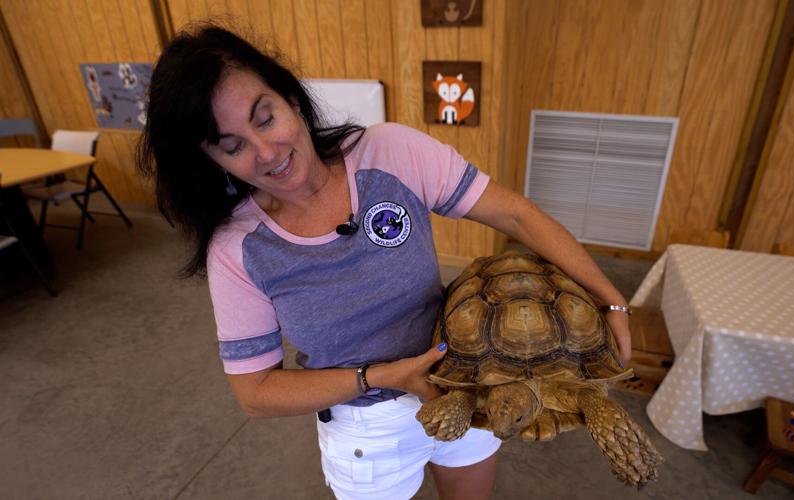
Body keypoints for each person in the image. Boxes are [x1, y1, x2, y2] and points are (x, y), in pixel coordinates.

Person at [136, 24, 632, 500]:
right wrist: (382, 376)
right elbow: (256, 393)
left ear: (290, 98)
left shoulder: (389, 152)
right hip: (364, 423)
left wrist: (612, 301)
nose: (267, 152)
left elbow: (516, 215)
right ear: (213, 162)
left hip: (472, 383)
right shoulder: (238, 249)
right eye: (233, 146)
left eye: (264, 117)